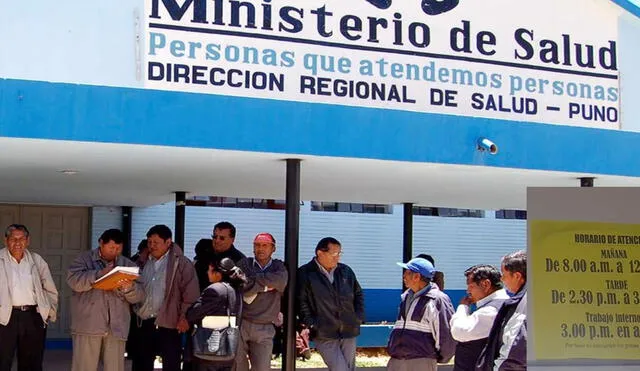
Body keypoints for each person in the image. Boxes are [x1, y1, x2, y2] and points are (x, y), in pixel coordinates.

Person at [67, 228, 145, 371]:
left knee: (114, 367)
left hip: (117, 327)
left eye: (118, 249)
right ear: (101, 243)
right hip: (88, 325)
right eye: (111, 248)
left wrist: (128, 288)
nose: (114, 252)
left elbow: (139, 296)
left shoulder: (128, 265)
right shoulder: (83, 260)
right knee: (84, 367)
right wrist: (98, 274)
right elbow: (74, 282)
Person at [133, 225, 200, 371]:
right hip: (144, 322)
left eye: (156, 242)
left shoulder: (181, 263)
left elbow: (190, 294)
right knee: (141, 364)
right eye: (149, 242)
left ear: (168, 242)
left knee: (171, 364)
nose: (151, 246)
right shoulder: (142, 261)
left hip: (170, 324)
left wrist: (184, 317)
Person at [297, 237, 365, 371]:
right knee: (340, 369)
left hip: (348, 330)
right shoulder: (305, 273)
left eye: (339, 253)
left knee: (349, 368)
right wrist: (312, 323)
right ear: (320, 253)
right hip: (324, 332)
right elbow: (301, 301)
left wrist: (358, 317)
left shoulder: (346, 271)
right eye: (334, 254)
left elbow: (358, 294)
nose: (337, 258)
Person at [0, 224, 58, 371]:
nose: (17, 243)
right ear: (6, 240)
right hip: (4, 318)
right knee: (2, 361)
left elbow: (50, 288)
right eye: (13, 238)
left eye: (21, 239)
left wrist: (49, 310)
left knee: (32, 363)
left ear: (28, 241)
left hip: (33, 316)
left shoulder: (36, 260)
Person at [387, 257, 456, 371]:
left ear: (417, 277)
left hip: (421, 361)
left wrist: (439, 358)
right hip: (397, 360)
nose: (404, 276)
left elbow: (445, 333)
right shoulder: (405, 297)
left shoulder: (437, 299)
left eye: (408, 272)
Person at [235, 233, 288, 371]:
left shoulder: (278, 266)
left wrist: (254, 282)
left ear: (273, 249)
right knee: (238, 366)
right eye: (257, 245)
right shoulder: (244, 263)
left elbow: (281, 281)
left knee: (263, 368)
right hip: (242, 323)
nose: (260, 248)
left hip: (265, 326)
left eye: (265, 245)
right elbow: (242, 287)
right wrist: (266, 286)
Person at [186, 258, 247, 371]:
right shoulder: (236, 290)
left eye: (209, 270)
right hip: (229, 349)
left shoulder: (215, 290)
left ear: (218, 273)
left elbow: (192, 314)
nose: (207, 273)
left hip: (209, 350)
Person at [450, 265, 508, 371]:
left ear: (486, 284)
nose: (468, 291)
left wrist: (463, 306)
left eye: (471, 286)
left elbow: (459, 331)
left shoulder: (492, 310)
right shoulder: (499, 304)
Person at [475, 250, 527, 371]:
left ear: (517, 276)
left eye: (504, 274)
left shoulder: (524, 303)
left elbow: (514, 349)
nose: (502, 279)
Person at [195, 222, 246, 292]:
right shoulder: (203, 247)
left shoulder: (239, 260)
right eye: (215, 237)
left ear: (232, 240)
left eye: (222, 238)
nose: (217, 241)